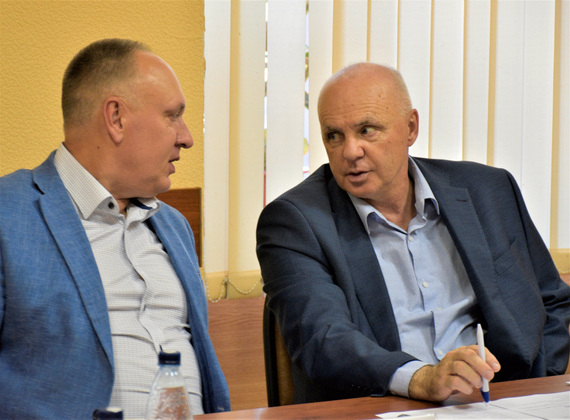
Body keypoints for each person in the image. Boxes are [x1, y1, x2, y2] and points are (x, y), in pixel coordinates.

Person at [256, 63, 570, 404]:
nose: (350, 151)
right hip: (385, 405)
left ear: (410, 127)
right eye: (334, 136)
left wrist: (539, 386)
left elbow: (551, 299)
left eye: (366, 130)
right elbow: (322, 340)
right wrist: (421, 379)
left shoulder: (488, 191)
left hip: (504, 401)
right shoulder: (295, 222)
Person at [0, 39, 230, 418]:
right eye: (172, 116)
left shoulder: (174, 226)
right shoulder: (9, 216)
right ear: (116, 118)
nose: (186, 137)